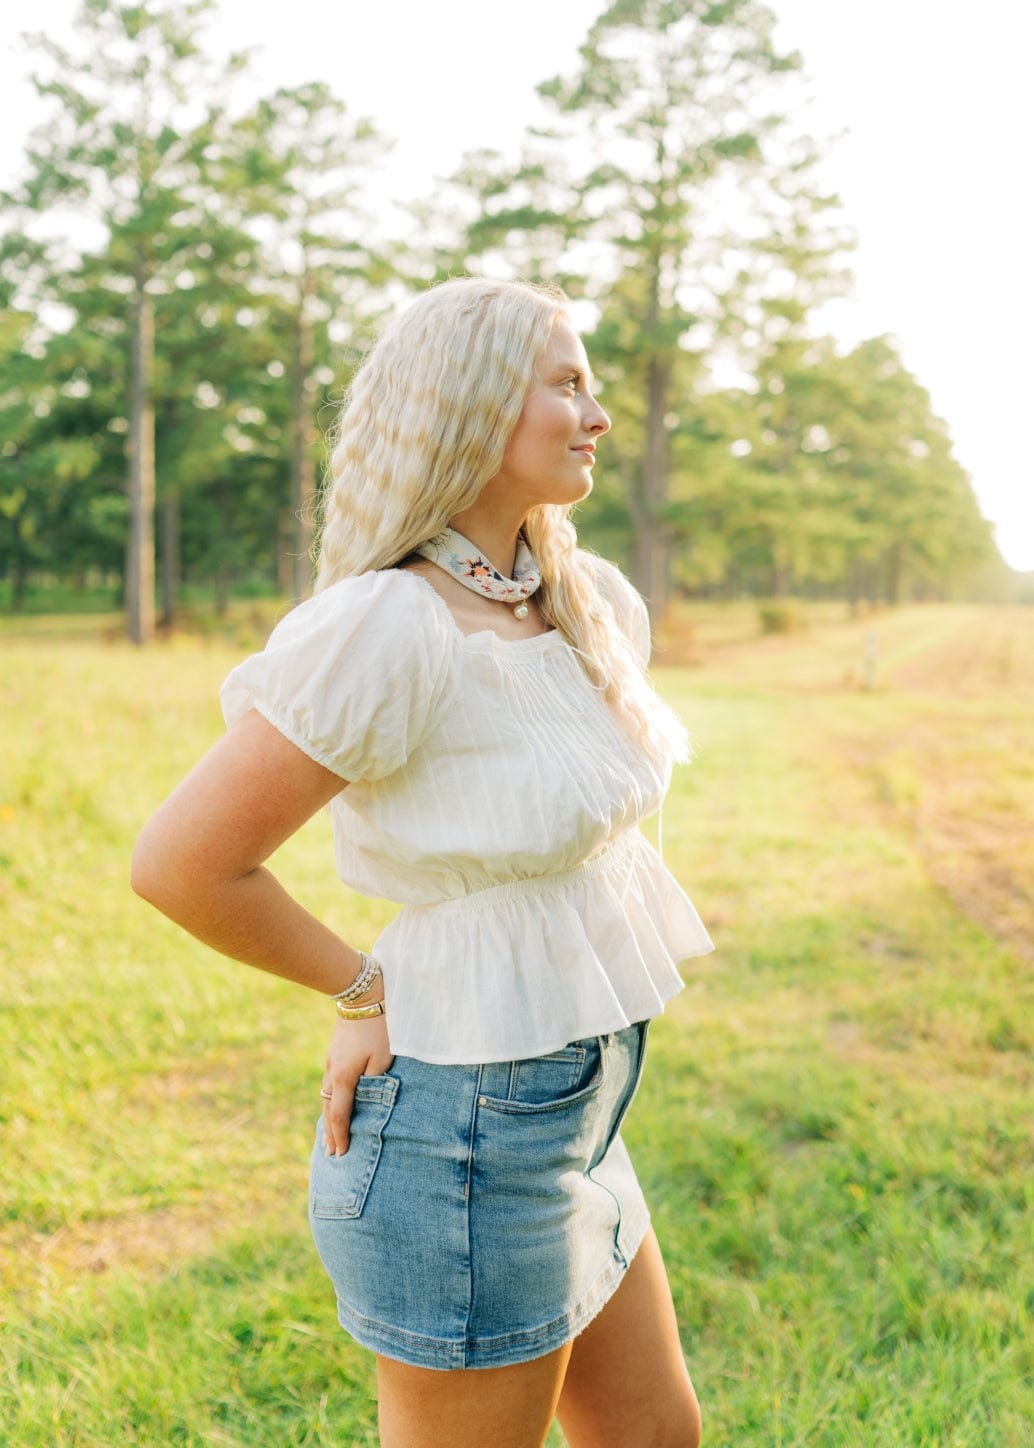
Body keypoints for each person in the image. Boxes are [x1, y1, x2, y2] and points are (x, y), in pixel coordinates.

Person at [131, 276, 714, 1448]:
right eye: (565, 382)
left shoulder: (582, 600)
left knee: (653, 1436)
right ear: (469, 404)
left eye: (593, 384)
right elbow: (183, 863)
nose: (596, 413)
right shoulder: (386, 627)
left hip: (581, 1104)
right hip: (463, 1127)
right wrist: (361, 985)